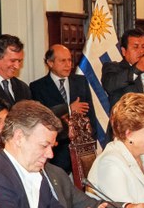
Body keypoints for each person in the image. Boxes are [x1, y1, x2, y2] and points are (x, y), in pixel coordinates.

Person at [0, 101, 113, 208]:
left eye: (51, 146)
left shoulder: (36, 171)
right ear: (19, 138)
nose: (50, 154)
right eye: (44, 145)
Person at [30, 44, 97, 173]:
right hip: (56, 153)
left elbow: (91, 116)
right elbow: (43, 118)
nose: (68, 65)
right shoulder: (37, 87)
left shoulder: (81, 81)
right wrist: (69, 109)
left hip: (82, 152)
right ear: (50, 63)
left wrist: (90, 144)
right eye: (62, 61)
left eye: (69, 60)